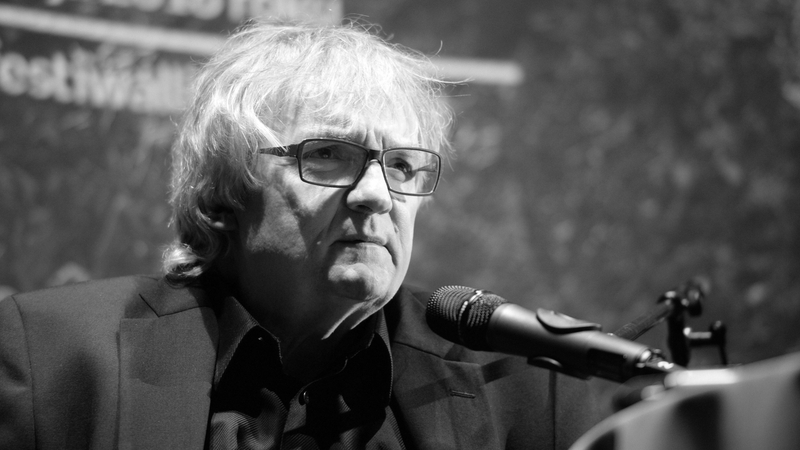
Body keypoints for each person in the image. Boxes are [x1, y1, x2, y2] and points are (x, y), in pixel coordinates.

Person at [0, 20, 602, 449]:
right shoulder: (50, 359)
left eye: (401, 165)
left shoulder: (526, 396)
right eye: (328, 155)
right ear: (223, 192)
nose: (377, 195)